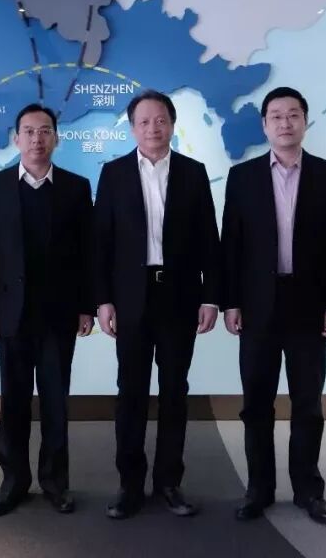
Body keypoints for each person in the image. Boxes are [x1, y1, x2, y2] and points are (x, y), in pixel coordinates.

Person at [221, 87, 326, 524]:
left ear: (305, 121)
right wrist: (230, 302)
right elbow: (231, 244)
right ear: (264, 125)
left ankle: (309, 490)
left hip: (309, 305)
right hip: (257, 304)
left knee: (308, 403)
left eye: (293, 114)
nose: (285, 123)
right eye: (276, 116)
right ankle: (258, 489)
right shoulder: (243, 177)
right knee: (256, 403)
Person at [95, 90, 220, 519]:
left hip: (179, 296)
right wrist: (103, 299)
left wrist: (211, 296)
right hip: (130, 297)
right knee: (130, 392)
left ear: (172, 124)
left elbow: (209, 240)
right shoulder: (113, 174)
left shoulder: (193, 173)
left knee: (174, 392)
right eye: (144, 121)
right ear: (132, 128)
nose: (153, 128)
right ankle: (129, 484)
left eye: (161, 120)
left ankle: (169, 482)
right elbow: (101, 242)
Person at [0, 104, 95, 517]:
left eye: (45, 131)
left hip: (59, 314)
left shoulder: (76, 188)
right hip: (11, 314)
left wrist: (86, 307)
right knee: (13, 401)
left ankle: (55, 483)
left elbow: (87, 254)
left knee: (56, 402)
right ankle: (13, 482)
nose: (37, 139)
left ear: (56, 138)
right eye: (28, 131)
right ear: (15, 139)